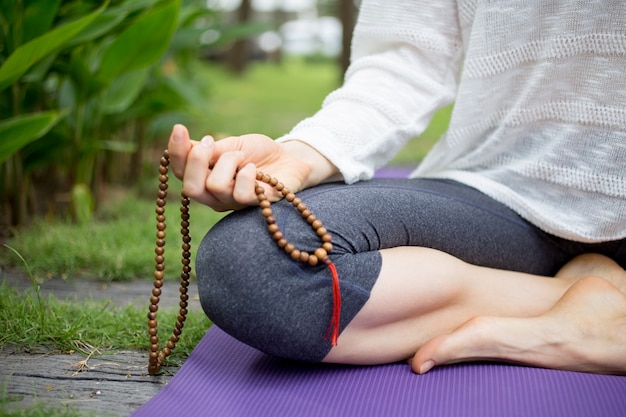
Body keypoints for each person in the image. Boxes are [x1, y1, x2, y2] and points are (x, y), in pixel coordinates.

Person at [168, 0, 626, 375]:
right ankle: (589, 298)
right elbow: (402, 62)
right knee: (249, 263)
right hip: (507, 193)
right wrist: (303, 156)